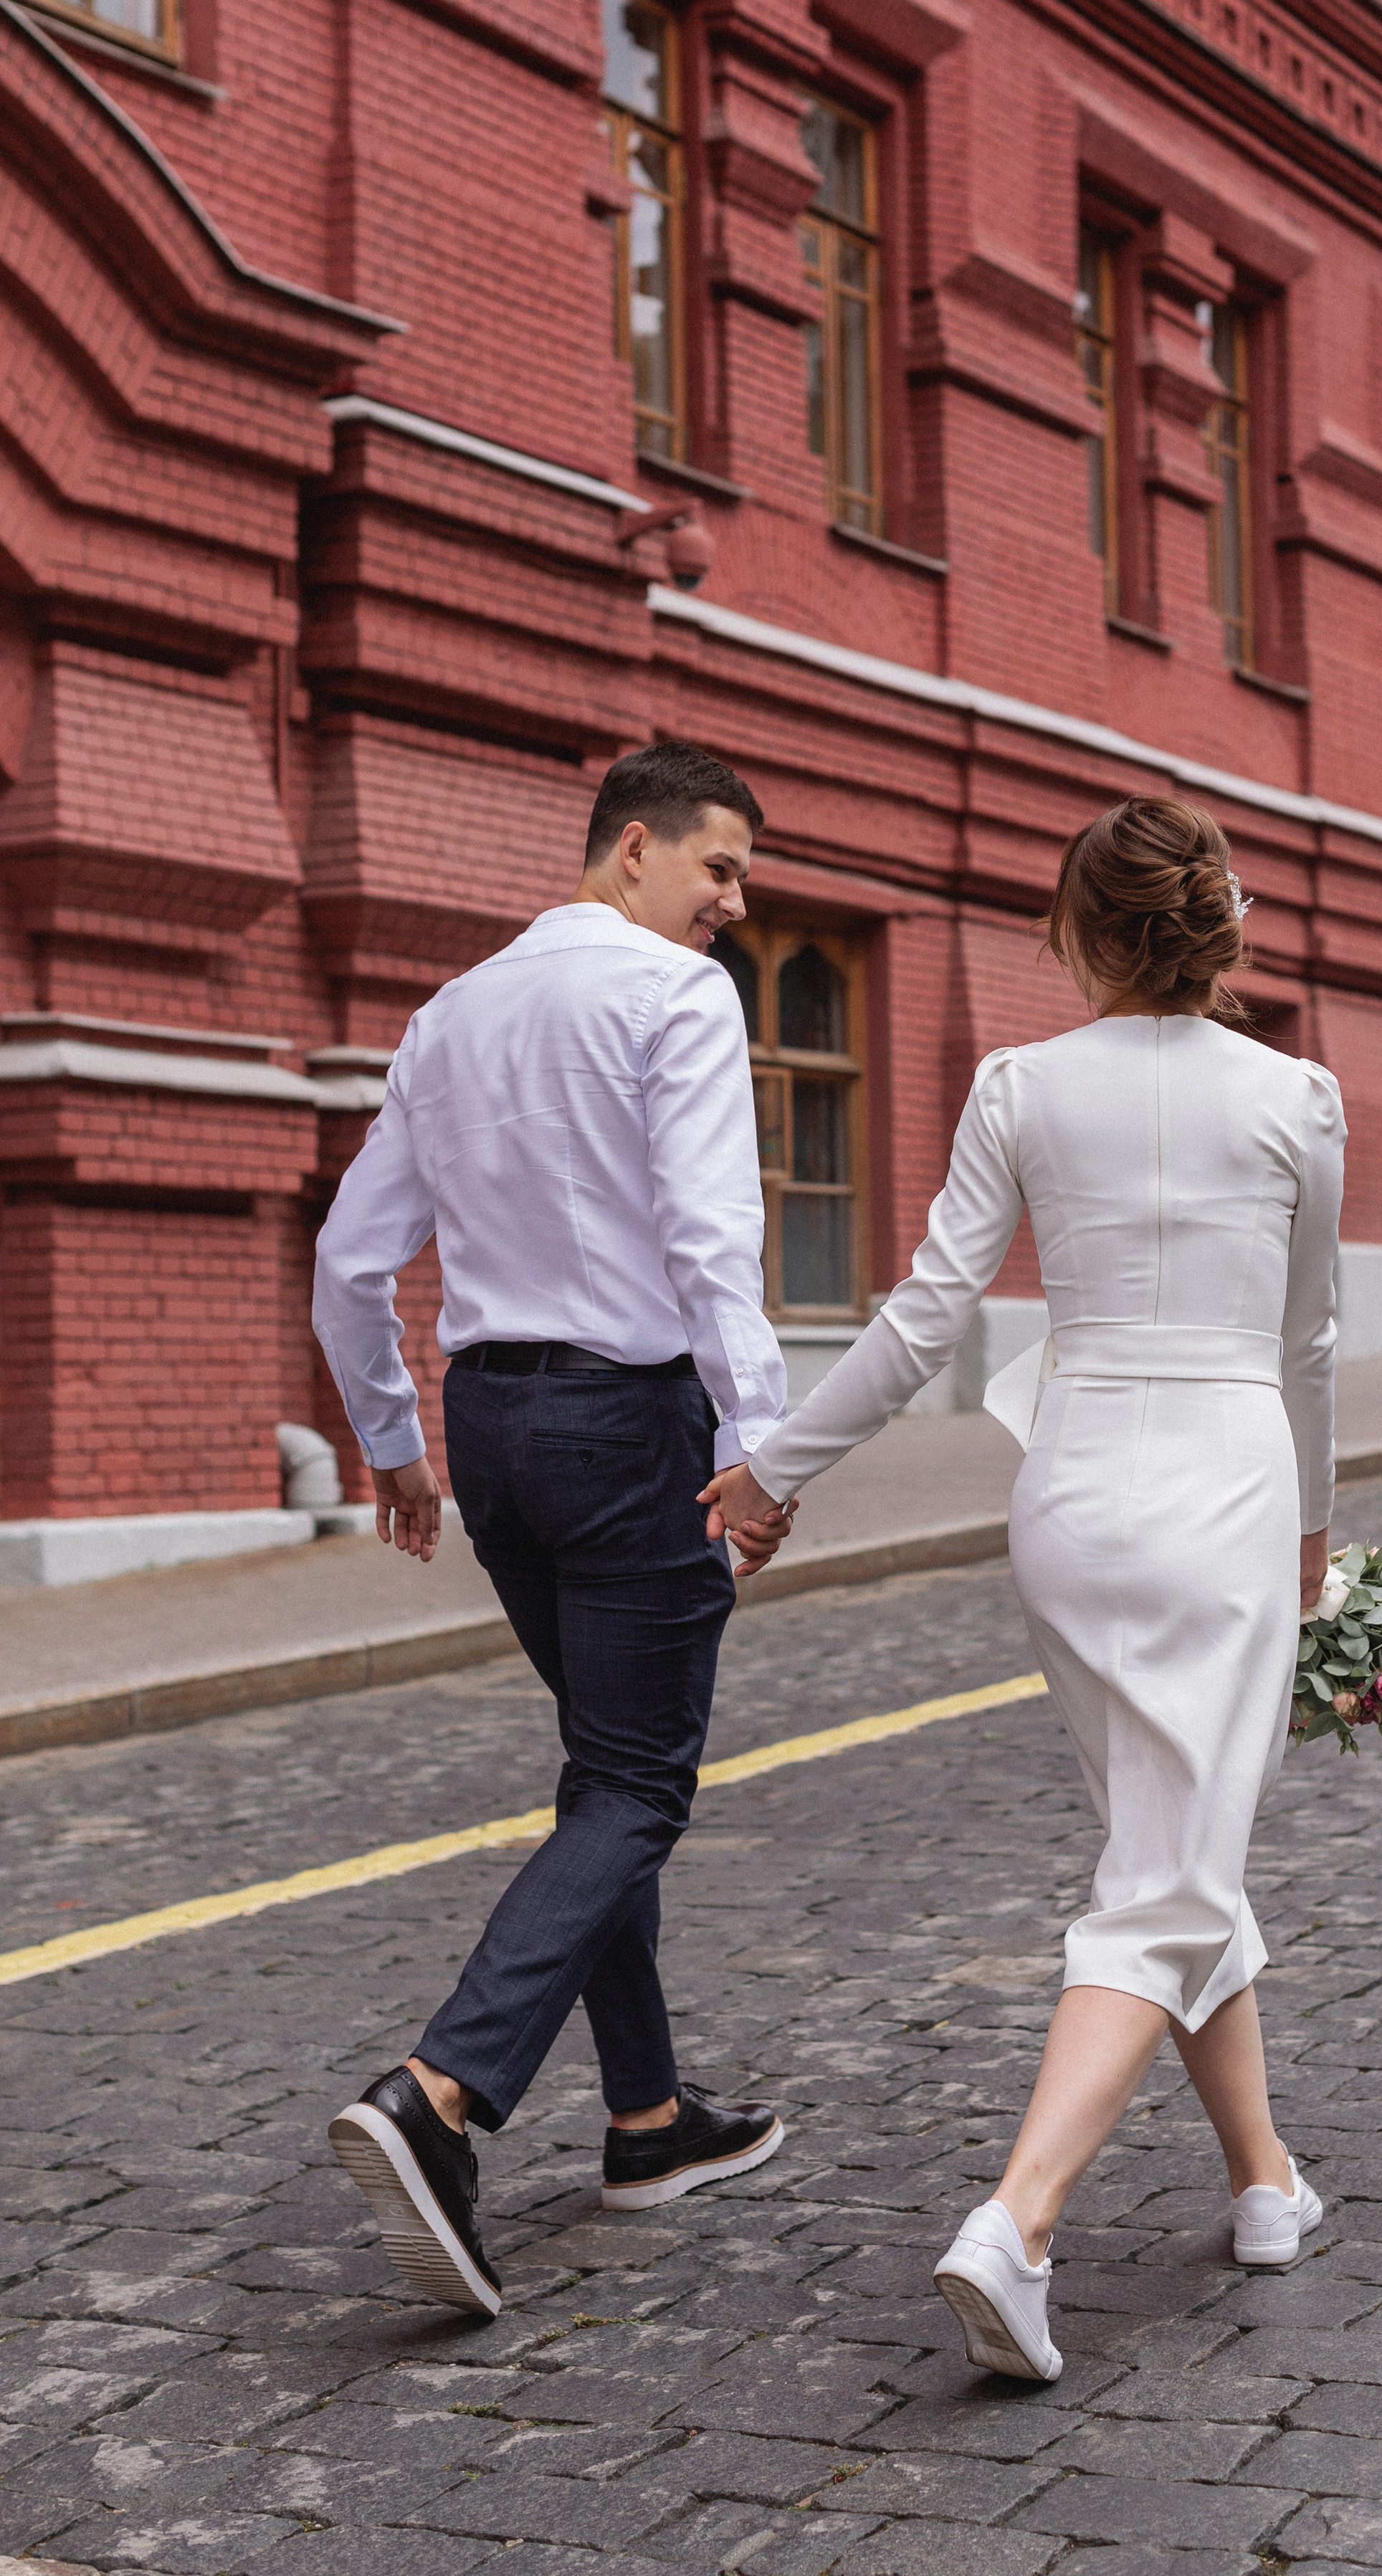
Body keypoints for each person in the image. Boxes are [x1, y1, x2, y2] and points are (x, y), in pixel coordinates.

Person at [704, 795, 1344, 2381]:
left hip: (1068, 1494)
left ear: (1073, 930)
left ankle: (1263, 2183)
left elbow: (928, 1322)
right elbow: (1308, 1343)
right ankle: (1018, 2222)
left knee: (1166, 1837)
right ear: (1217, 925)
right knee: (1168, 1868)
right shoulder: (1298, 1096)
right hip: (1226, 1487)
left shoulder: (1017, 1086)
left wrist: (778, 1468)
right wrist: (1316, 1530)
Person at [312, 742, 798, 2318]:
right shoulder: (671, 997)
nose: (736, 902)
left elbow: (349, 1256)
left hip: (493, 1429)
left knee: (604, 1769)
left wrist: (390, 1445)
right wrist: (762, 1451)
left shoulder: (451, 1012)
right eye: (719, 868)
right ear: (633, 850)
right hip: (625, 1423)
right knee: (641, 1787)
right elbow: (714, 1240)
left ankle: (649, 2120)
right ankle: (441, 2094)